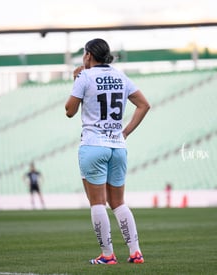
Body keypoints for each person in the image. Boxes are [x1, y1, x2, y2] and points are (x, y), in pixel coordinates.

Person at [65, 38, 150, 265]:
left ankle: (107, 255)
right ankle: (135, 253)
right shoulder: (121, 76)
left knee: (97, 203)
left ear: (89, 55)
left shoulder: (84, 76)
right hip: (117, 146)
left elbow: (69, 111)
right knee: (119, 203)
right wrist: (125, 132)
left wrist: (75, 78)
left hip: (93, 145)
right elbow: (144, 105)